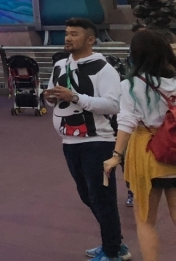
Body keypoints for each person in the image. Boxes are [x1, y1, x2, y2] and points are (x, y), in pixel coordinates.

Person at [44, 18, 125, 261]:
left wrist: (77, 97)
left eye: (74, 34)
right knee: (86, 195)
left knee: (102, 198)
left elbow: (114, 105)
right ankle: (115, 243)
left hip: (98, 142)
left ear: (90, 39)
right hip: (69, 142)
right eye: (67, 33)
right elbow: (51, 98)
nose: (68, 38)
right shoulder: (59, 65)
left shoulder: (104, 68)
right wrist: (48, 97)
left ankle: (112, 252)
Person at [103, 29, 176, 261]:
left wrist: (116, 155)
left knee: (145, 220)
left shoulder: (131, 85)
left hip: (147, 151)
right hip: (174, 151)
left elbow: (126, 122)